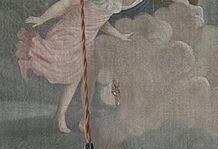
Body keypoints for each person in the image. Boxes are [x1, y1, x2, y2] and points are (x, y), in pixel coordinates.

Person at [17, 0, 135, 134]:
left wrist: (120, 35)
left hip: (85, 42)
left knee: (75, 78)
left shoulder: (115, 3)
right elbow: (66, 3)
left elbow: (101, 22)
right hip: (70, 33)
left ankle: (60, 115)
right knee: (50, 59)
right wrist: (42, 18)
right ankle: (60, 115)